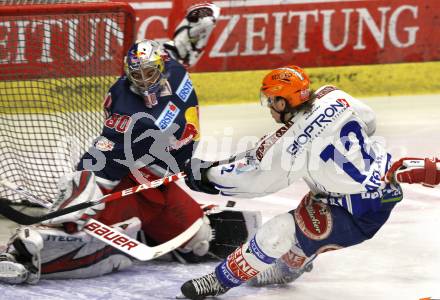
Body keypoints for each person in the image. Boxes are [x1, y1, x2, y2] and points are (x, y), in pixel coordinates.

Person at [0, 3, 260, 285]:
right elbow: (99, 163)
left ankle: (146, 230)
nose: (143, 80)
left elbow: (181, 49)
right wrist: (72, 211)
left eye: (149, 73)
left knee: (198, 241)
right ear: (128, 71)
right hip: (130, 184)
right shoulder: (129, 115)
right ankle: (26, 252)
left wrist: (198, 26)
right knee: (97, 239)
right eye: (136, 74)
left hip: (158, 185)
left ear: (161, 68)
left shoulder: (173, 68)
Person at [178, 65, 410, 299]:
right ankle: (297, 257)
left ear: (282, 103)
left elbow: (255, 183)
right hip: (383, 188)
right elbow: (369, 122)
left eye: (271, 100)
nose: (269, 106)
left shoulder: (292, 145)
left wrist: (209, 178)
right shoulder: (334, 95)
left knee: (280, 230)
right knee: (307, 222)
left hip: (355, 214)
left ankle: (218, 281)